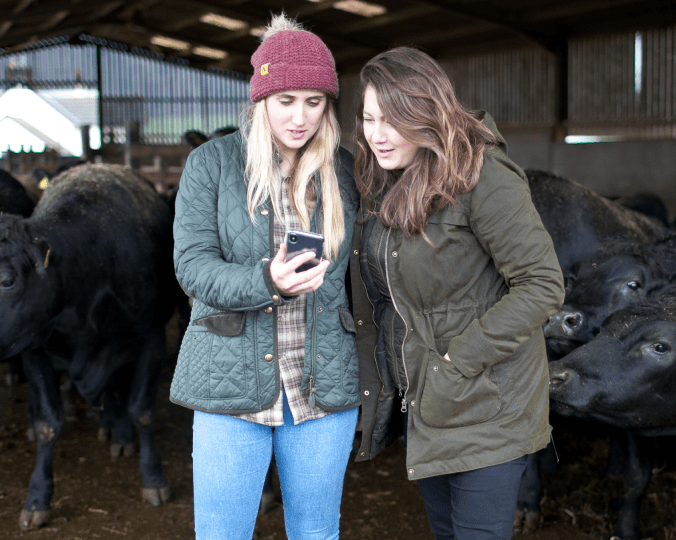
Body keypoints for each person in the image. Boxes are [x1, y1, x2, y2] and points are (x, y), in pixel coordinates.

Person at [350, 47, 565, 540]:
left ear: (428, 112)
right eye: (368, 119)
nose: (377, 134)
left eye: (393, 120)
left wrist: (458, 359)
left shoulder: (484, 177)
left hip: (487, 403)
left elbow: (542, 284)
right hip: (431, 402)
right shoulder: (387, 181)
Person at [170, 14, 360, 540]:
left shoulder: (344, 169)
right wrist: (266, 281)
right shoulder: (212, 164)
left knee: (316, 532)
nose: (300, 118)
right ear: (260, 100)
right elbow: (192, 266)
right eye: (286, 101)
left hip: (322, 383)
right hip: (229, 382)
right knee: (222, 533)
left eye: (314, 102)